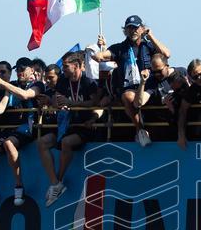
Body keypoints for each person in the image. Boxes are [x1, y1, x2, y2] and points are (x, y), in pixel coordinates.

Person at [0, 61, 45, 208]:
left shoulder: (38, 85)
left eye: (23, 69)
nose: (20, 72)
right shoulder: (11, 85)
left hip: (28, 127)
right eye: (18, 70)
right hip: (8, 129)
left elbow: (24, 95)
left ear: (31, 70)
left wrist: (3, 84)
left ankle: (19, 187)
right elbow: (3, 104)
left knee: (9, 143)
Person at [93, 15, 172, 147]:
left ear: (142, 29)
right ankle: (140, 130)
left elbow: (167, 54)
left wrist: (151, 35)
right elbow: (100, 56)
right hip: (129, 88)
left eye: (135, 28)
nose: (132, 31)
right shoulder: (119, 48)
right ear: (125, 31)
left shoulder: (149, 46)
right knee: (128, 96)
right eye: (129, 28)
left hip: (149, 85)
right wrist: (98, 51)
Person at [40, 52, 102, 206]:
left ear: (77, 65)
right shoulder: (63, 82)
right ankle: (55, 183)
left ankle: (59, 180)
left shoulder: (88, 82)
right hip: (66, 124)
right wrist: (54, 102)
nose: (63, 69)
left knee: (66, 142)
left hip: (84, 125)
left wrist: (72, 103)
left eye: (66, 66)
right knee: (42, 143)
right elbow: (58, 102)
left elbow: (95, 102)